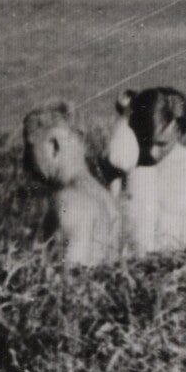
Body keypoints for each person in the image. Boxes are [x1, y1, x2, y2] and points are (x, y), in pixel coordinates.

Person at [106, 87, 186, 257]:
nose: (152, 152)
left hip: (180, 271)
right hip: (124, 270)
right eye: (145, 141)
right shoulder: (121, 165)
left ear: (180, 131)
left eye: (161, 144)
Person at [21, 101, 122, 266]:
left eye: (30, 147)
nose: (25, 160)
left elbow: (68, 276)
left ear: (54, 146)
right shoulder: (107, 199)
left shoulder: (68, 201)